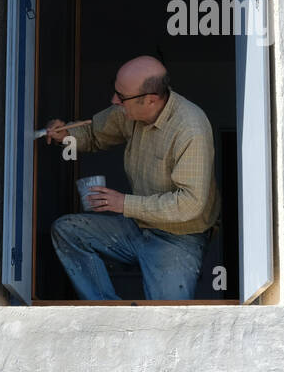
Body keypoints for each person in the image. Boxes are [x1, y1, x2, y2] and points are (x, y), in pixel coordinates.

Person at [44, 55, 220, 301]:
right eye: (116, 92)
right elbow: (93, 133)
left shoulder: (190, 129)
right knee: (67, 231)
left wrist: (123, 204)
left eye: (121, 97)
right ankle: (109, 312)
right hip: (137, 225)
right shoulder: (125, 111)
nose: (114, 100)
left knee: (168, 318)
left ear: (150, 100)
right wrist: (66, 135)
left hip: (179, 237)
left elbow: (190, 203)